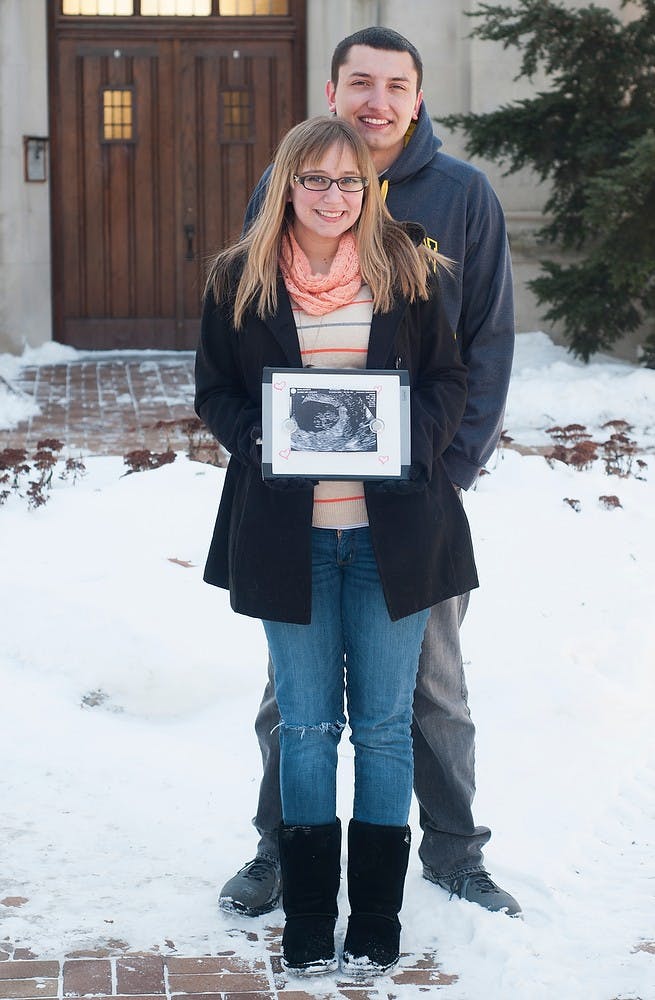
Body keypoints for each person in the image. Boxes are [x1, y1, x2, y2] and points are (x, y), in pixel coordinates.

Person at [219, 26, 521, 918]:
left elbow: (485, 342)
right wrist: (273, 454)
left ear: (417, 99)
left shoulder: (461, 195)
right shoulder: (282, 187)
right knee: (293, 694)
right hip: (298, 508)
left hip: (414, 498)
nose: (376, 100)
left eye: (395, 85)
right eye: (360, 82)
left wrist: (444, 469)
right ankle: (278, 849)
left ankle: (456, 852)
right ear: (331, 90)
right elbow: (251, 332)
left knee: (430, 688)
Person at [195, 115, 478, 976]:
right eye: (313, 180)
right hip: (292, 540)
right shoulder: (238, 279)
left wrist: (406, 443)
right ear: (287, 184)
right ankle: (311, 921)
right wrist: (262, 441)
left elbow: (448, 381)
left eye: (348, 181)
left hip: (392, 536)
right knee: (309, 726)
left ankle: (377, 923)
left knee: (386, 730)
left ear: (370, 189)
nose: (331, 197)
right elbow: (215, 392)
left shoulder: (411, 272)